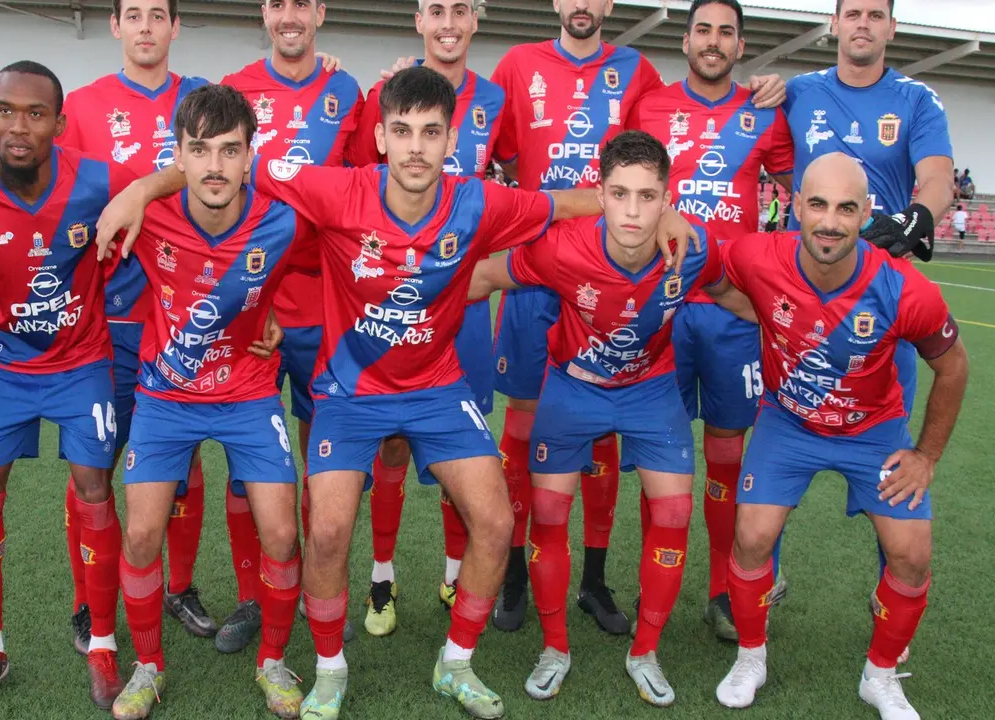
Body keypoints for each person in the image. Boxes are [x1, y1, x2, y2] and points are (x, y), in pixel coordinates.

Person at [96, 65, 692, 720]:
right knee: (324, 531)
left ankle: (455, 663)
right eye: (402, 131)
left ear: (450, 139)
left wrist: (662, 216)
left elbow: (571, 201)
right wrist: (142, 190)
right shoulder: (334, 189)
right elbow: (219, 165)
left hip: (436, 387)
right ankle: (326, 669)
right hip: (349, 391)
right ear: (379, 138)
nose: (415, 147)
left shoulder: (480, 203)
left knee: (495, 521)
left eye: (430, 133)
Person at [487, 0, 786, 633]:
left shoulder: (642, 76)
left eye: (725, 32)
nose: (584, 5)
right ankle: (516, 571)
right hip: (562, 265)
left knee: (667, 445)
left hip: (676, 289)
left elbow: (650, 170)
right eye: (703, 29)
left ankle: (621, 582)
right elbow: (508, 157)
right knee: (532, 423)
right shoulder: (519, 65)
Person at [467, 130, 752, 705]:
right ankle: (555, 647)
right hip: (573, 389)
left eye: (648, 197)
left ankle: (645, 652)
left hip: (650, 390)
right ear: (599, 193)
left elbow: (733, 293)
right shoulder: (562, 247)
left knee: (673, 516)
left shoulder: (692, 248)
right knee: (548, 517)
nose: (632, 211)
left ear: (667, 198)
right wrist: (417, 310)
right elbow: (485, 277)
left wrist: (786, 331)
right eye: (619, 193)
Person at [713, 152, 969, 720]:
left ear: (866, 213)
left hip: (873, 432)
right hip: (788, 422)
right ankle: (751, 657)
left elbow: (953, 366)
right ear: (796, 206)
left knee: (910, 554)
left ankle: (879, 677)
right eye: (819, 205)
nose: (830, 222)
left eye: (846, 208)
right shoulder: (758, 254)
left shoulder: (905, 289)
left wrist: (926, 456)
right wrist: (760, 312)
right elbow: (711, 274)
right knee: (752, 537)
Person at [0, 60, 139, 712]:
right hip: (5, 370)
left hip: (82, 365)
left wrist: (139, 193)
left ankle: (103, 645)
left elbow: (176, 182)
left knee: (94, 488)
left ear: (58, 122)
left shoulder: (95, 179)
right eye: (4, 111)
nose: (18, 127)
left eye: (34, 113)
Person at [108, 84, 308, 720]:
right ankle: (147, 667)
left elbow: (323, 264)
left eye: (230, 151)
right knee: (140, 533)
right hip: (166, 394)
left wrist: (271, 309)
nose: (215, 166)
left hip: (248, 391)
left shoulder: (282, 221)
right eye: (200, 151)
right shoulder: (151, 216)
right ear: (179, 155)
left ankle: (272, 661)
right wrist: (143, 188)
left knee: (280, 530)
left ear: (251, 156)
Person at [781, 0, 955, 630]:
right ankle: (760, 585)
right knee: (777, 440)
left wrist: (920, 217)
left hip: (881, 303)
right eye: (851, 12)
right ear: (833, 24)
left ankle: (891, 604)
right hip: (800, 296)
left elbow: (936, 177)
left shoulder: (915, 99)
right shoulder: (798, 92)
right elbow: (769, 158)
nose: (862, 24)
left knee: (891, 464)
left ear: (890, 27)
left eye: (874, 15)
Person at [628, 0, 796, 642]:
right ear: (687, 38)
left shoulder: (765, 111)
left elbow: (800, 186)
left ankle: (726, 590)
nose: (714, 41)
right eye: (704, 29)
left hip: (732, 313)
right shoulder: (647, 105)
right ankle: (654, 584)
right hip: (662, 308)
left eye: (727, 31)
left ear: (741, 45)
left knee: (728, 459)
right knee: (659, 456)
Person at [54, 0, 219, 647]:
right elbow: (47, 185)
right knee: (93, 465)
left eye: (159, 14)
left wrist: (147, 187)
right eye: (134, 14)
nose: (146, 26)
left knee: (186, 461)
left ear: (175, 27)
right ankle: (87, 601)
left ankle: (179, 587)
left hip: (186, 318)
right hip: (110, 320)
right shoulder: (87, 106)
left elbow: (224, 171)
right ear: (116, 25)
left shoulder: (203, 102)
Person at [345, 0, 502, 636]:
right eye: (435, 9)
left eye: (459, 10)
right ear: (419, 20)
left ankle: (452, 569)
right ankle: (381, 577)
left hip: (462, 305)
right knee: (389, 446)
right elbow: (354, 184)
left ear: (475, 19)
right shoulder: (384, 95)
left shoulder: (497, 97)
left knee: (457, 450)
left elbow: (515, 181)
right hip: (392, 303)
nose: (447, 22)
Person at [217, 0, 365, 654]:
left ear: (321, 11)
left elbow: (365, 188)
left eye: (301, 2)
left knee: (323, 460)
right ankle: (254, 596)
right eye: (278, 3)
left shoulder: (345, 89)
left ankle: (320, 589)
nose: (289, 14)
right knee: (247, 462)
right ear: (264, 12)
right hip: (251, 299)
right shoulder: (232, 89)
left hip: (323, 302)